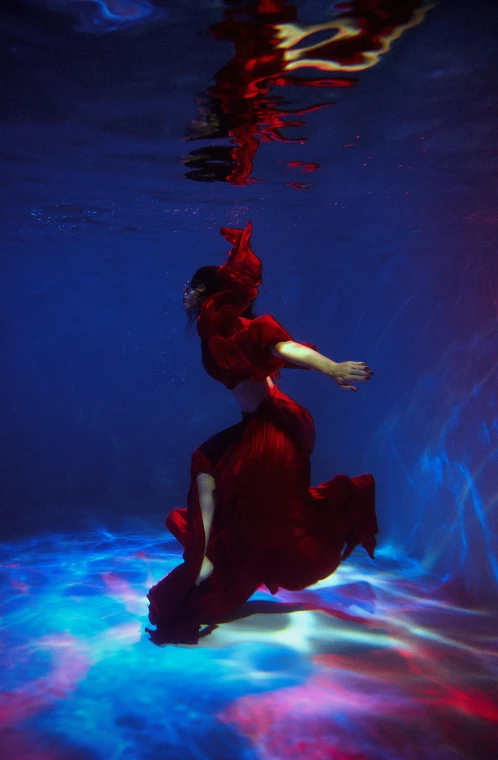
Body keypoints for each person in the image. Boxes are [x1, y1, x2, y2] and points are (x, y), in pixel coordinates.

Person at [147, 222, 377, 645]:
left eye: (189, 288)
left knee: (260, 512)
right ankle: (205, 561)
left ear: (204, 293)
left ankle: (214, 561)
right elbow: (278, 355)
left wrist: (332, 368)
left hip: (274, 429)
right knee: (207, 465)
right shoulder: (219, 334)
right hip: (262, 422)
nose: (183, 294)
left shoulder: (241, 331)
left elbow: (284, 348)